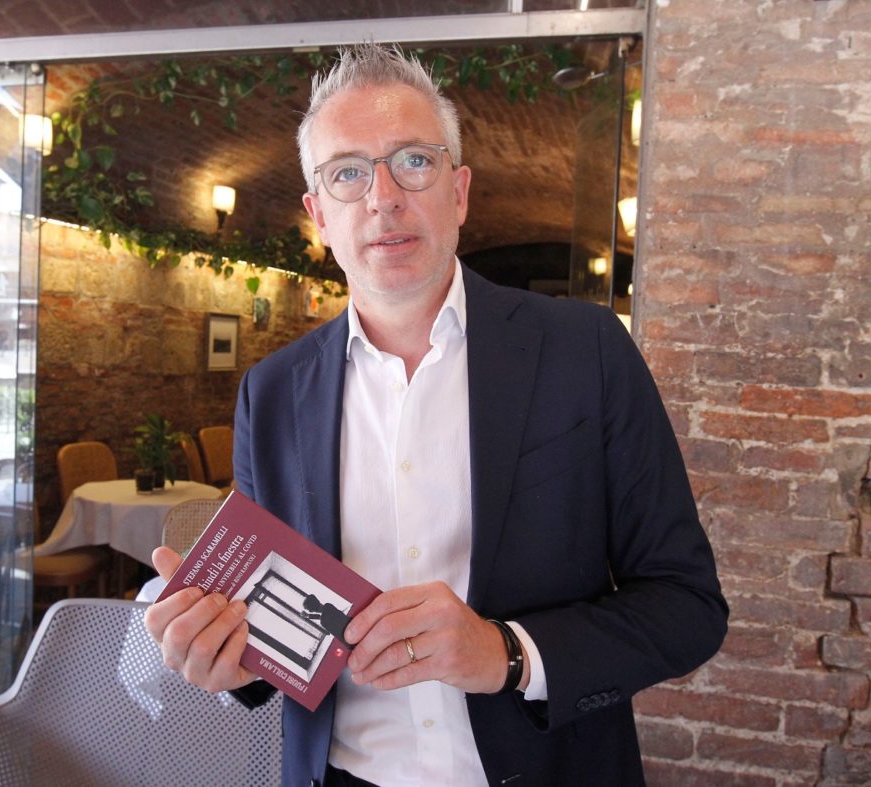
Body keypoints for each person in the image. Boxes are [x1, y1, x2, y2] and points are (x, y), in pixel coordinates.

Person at [145, 43, 727, 786]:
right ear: (319, 215)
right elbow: (276, 641)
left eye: (413, 161)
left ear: (459, 191)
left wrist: (506, 653)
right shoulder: (272, 392)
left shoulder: (587, 351)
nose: (383, 197)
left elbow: (687, 605)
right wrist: (226, 657)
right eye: (347, 173)